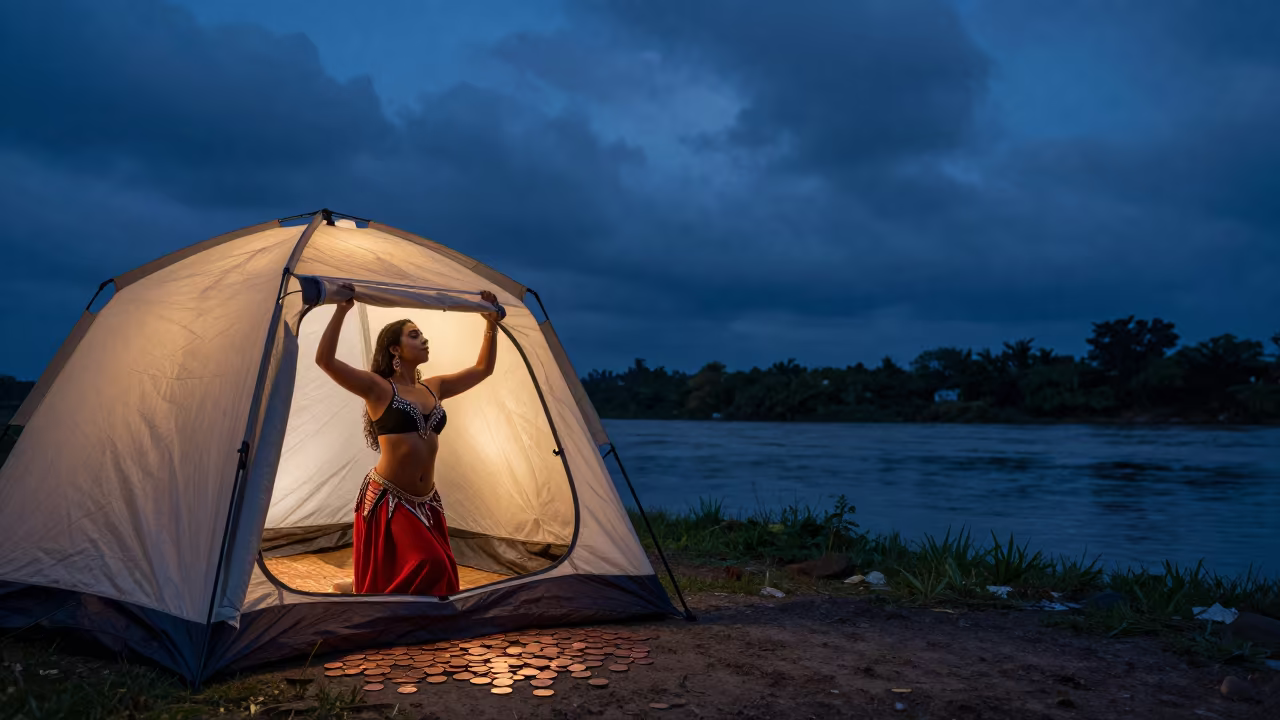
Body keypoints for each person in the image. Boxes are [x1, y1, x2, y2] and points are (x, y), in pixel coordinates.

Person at [315, 285, 501, 595]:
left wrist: (490, 324)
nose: (424, 339)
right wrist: (341, 310)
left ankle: (361, 586)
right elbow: (325, 360)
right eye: (414, 335)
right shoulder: (378, 388)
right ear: (395, 349)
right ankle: (364, 589)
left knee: (444, 576)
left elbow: (483, 369)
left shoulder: (434, 387)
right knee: (431, 564)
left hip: (427, 500)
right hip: (390, 498)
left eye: (422, 334)